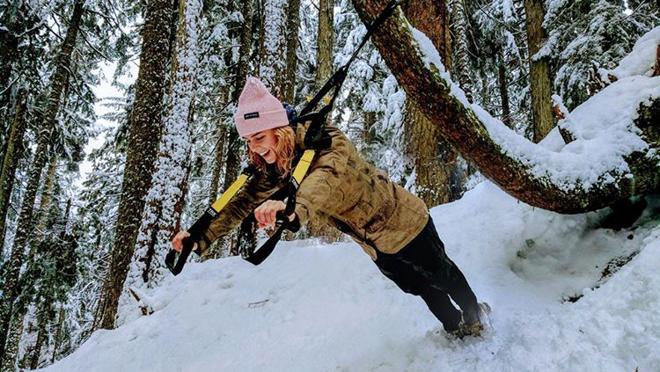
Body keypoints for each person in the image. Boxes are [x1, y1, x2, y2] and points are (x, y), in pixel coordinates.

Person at [172, 76, 489, 337]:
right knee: (416, 286)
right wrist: (197, 238)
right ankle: (453, 327)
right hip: (374, 242)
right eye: (249, 141)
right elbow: (239, 204)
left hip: (404, 221)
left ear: (278, 130)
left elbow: (327, 178)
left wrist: (291, 208)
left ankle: (474, 315)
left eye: (259, 137)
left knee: (442, 274)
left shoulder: (328, 140)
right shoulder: (280, 165)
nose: (254, 148)